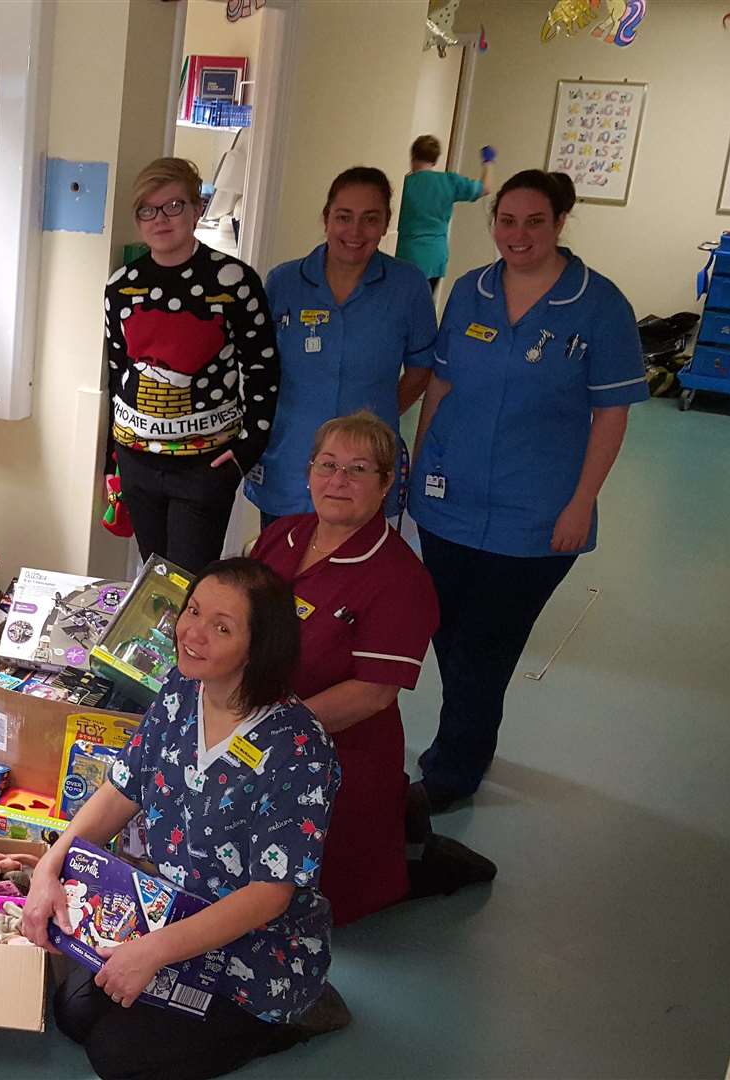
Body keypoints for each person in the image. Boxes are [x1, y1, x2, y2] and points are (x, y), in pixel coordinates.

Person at [23, 558, 343, 1080]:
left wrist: (151, 952)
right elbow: (122, 788)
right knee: (73, 1012)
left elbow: (270, 893)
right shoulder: (179, 690)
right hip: (168, 913)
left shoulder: (298, 748)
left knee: (118, 1058)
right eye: (193, 611)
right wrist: (48, 867)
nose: (193, 633)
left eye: (222, 627)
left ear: (258, 646)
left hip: (259, 949)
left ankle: (293, 1018)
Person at [410, 170, 648, 811]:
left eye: (534, 221)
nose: (518, 235)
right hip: (448, 498)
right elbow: (441, 385)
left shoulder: (600, 306)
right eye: (506, 221)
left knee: (488, 645)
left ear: (561, 222)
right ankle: (466, 745)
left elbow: (613, 415)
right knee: (449, 636)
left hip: (537, 513)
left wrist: (581, 501)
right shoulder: (470, 291)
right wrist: (416, 469)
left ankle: (451, 772)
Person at [249, 411, 494, 925]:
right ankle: (403, 822)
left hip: (336, 752)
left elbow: (373, 694)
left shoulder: (400, 579)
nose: (338, 480)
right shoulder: (282, 536)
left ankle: (414, 857)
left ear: (387, 485)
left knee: (311, 903)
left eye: (359, 469)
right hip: (252, 720)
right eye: (327, 464)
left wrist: (265, 731)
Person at [104, 157, 278, 573]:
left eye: (174, 205)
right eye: (148, 209)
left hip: (204, 467)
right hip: (138, 462)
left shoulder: (234, 281)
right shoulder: (121, 286)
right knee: (153, 575)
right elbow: (116, 372)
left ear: (197, 209)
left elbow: (262, 370)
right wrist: (114, 459)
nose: (160, 219)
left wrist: (245, 451)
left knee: (187, 582)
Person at [243, 167, 436, 525]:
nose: (355, 231)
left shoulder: (407, 286)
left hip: (365, 465)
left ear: (385, 224)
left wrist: (376, 416)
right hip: (290, 459)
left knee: (354, 575)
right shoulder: (284, 282)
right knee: (281, 573)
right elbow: (259, 367)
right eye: (344, 217)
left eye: (370, 219)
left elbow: (422, 369)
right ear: (326, 218)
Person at [395, 135, 495, 292]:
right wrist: (488, 162)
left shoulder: (404, 184)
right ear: (435, 161)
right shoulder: (448, 182)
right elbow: (485, 188)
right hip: (435, 257)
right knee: (424, 306)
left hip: (406, 254)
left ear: (412, 156)